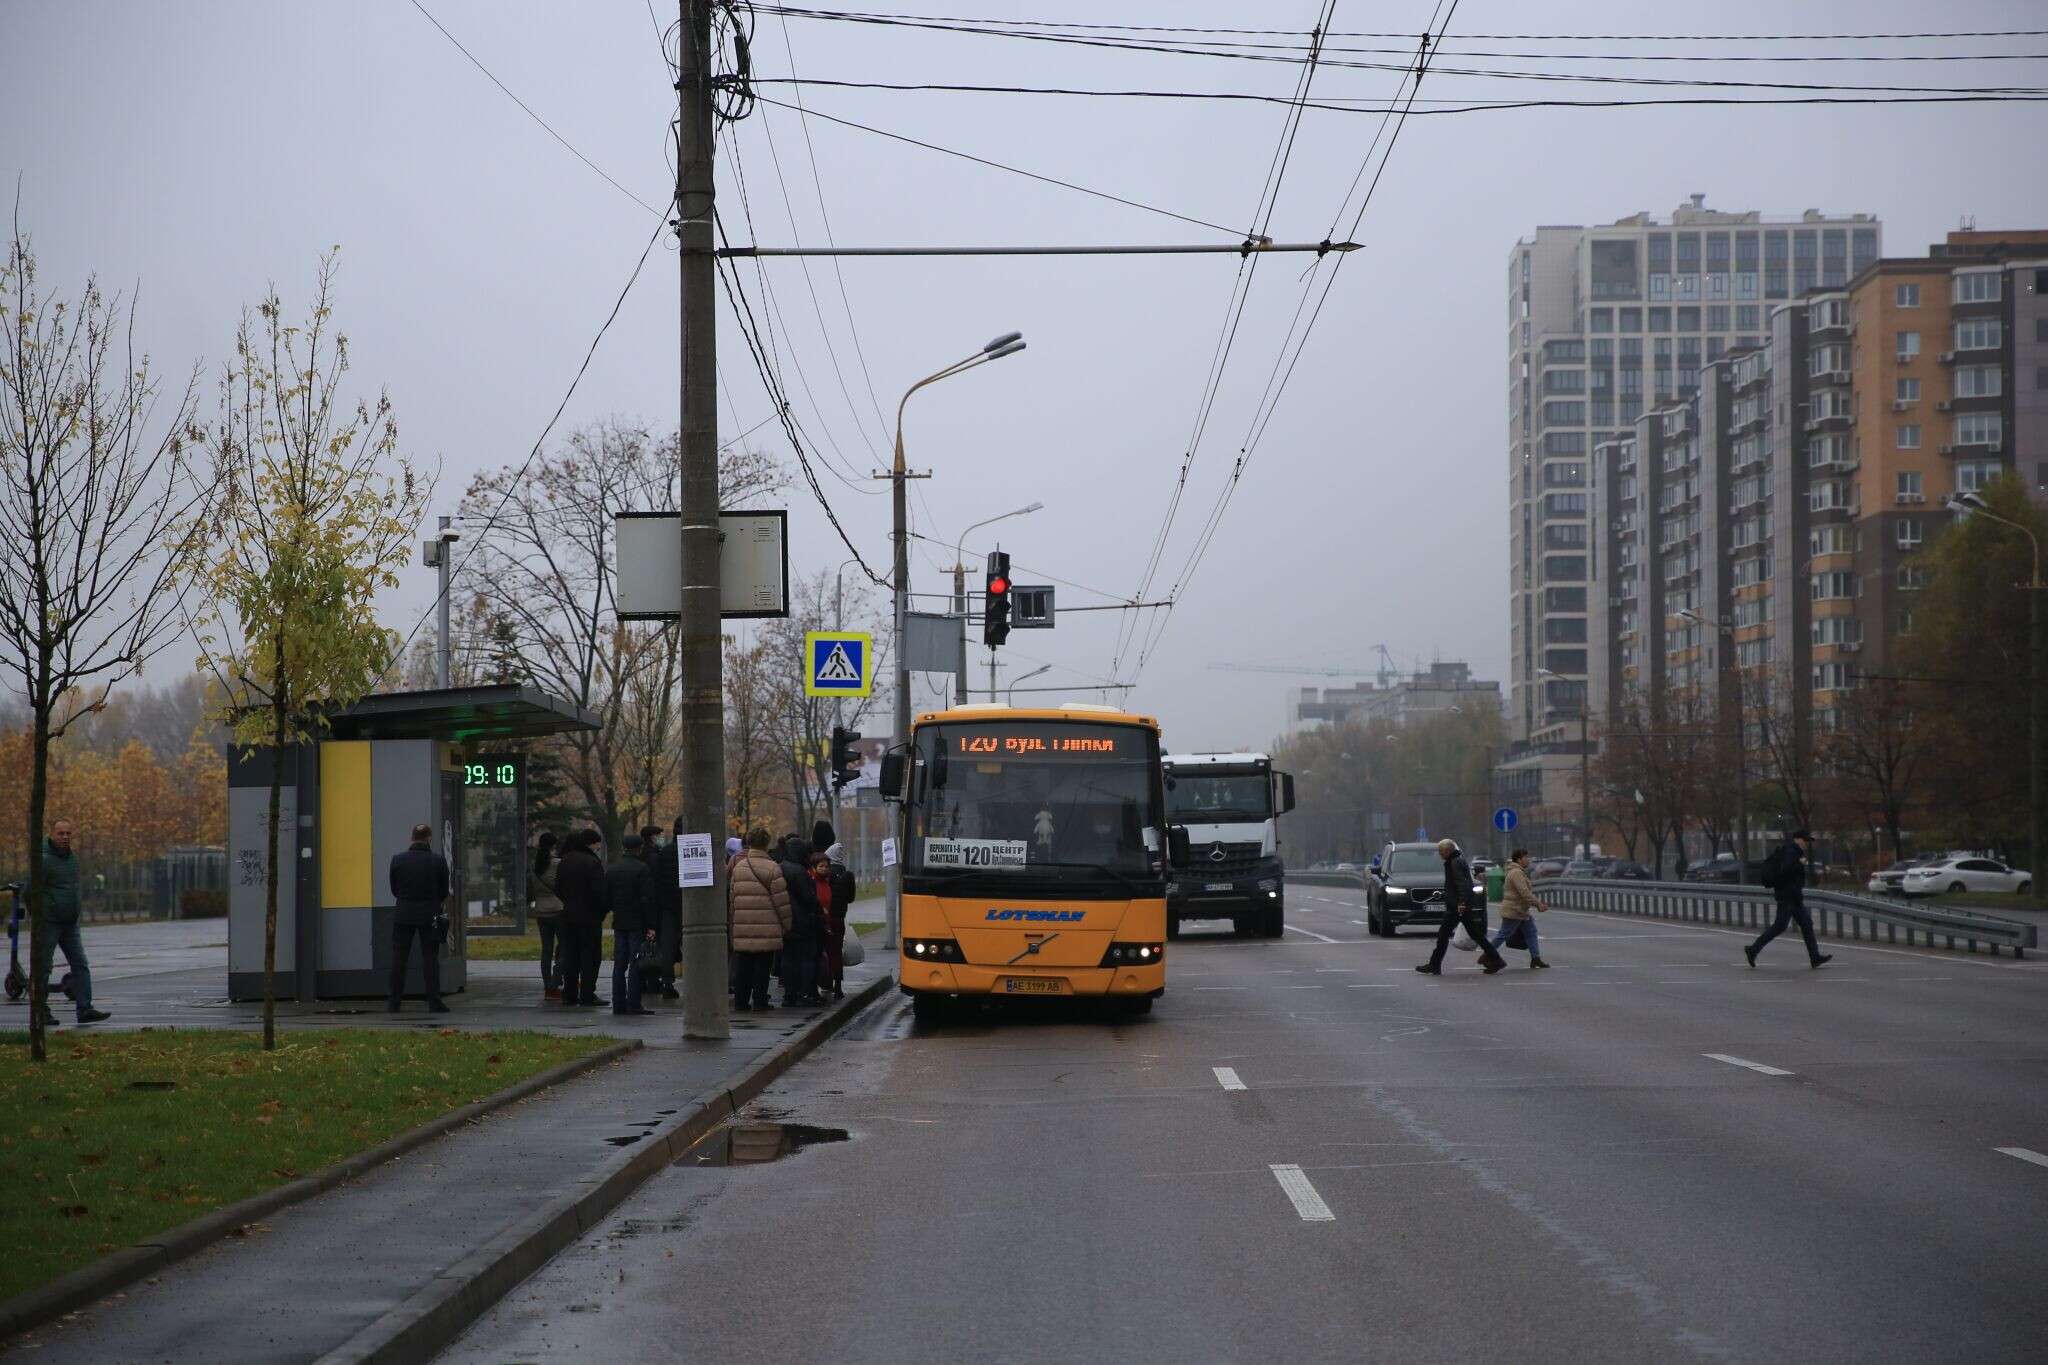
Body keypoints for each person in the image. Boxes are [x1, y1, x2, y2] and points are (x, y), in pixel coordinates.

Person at [35, 820, 108, 1027]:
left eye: (68, 833)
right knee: (43, 967)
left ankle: (85, 1008)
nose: (65, 836)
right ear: (52, 834)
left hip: (70, 923)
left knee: (80, 965)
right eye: (61, 833)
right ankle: (40, 1010)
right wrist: (42, 913)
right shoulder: (43, 860)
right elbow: (32, 891)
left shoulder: (72, 858)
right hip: (49, 922)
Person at [1418, 838, 1507, 976]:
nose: (1440, 854)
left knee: (1443, 934)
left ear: (1448, 850)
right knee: (1475, 934)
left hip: (1457, 906)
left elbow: (1462, 884)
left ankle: (1434, 965)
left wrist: (1461, 903)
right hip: (1459, 904)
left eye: (1441, 851)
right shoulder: (1455, 860)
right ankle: (1496, 959)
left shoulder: (1454, 862)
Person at [387, 823, 452, 1013]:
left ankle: (394, 1002)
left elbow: (394, 889)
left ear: (411, 838)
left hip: (404, 913)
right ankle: (434, 1001)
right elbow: (443, 890)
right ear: (429, 839)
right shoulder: (438, 861)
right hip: (429, 915)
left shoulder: (397, 860)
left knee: (399, 958)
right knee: (430, 958)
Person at [1746, 829, 1831, 969]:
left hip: (1793, 897)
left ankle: (1815, 957)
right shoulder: (1791, 852)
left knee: (1806, 924)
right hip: (1788, 896)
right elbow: (1785, 870)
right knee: (1780, 926)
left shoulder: (1792, 851)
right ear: (1797, 839)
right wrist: (1800, 863)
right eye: (1805, 840)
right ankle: (1753, 949)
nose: (1806, 843)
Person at [727, 828, 792, 1011]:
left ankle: (741, 1001)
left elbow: (732, 899)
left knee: (744, 966)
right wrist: (787, 926)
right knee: (763, 966)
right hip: (767, 927)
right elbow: (782, 902)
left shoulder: (738, 867)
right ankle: (760, 1000)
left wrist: (733, 924)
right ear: (766, 843)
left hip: (743, 925)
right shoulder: (773, 867)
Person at [555, 828, 608, 1006]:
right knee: (590, 957)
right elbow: (600, 892)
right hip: (589, 917)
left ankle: (569, 994)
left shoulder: (565, 860)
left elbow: (558, 888)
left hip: (568, 916)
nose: (598, 847)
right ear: (591, 844)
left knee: (570, 956)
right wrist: (601, 912)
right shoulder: (592, 862)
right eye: (597, 844)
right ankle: (587, 993)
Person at [605, 833, 656, 1015]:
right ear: (639, 848)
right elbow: (647, 899)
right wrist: (651, 925)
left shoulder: (612, 869)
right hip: (637, 922)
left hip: (620, 921)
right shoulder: (642, 869)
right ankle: (633, 1003)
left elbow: (607, 897)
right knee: (635, 963)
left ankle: (618, 1003)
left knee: (619, 964)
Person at [777, 837, 825, 1006]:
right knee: (807, 958)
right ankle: (805, 993)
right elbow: (808, 897)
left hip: (785, 919)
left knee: (788, 958)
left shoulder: (780, 867)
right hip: (802, 920)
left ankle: (789, 994)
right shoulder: (799, 871)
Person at [1488, 848, 1551, 969]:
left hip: (1521, 910)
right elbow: (1524, 892)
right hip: (1514, 910)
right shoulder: (1516, 873)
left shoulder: (1517, 871)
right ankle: (1487, 954)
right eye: (1526, 857)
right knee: (1504, 934)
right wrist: (1538, 904)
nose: (1529, 860)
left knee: (1531, 932)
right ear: (1519, 859)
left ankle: (1535, 959)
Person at [649, 816, 684, 1000]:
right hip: (690, 905)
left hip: (668, 906)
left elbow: (657, 882)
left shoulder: (664, 853)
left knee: (668, 946)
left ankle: (667, 982)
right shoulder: (696, 851)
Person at [532, 831, 567, 1001]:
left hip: (541, 911)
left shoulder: (535, 865)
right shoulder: (558, 864)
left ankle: (548, 988)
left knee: (546, 950)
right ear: (555, 845)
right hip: (558, 910)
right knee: (565, 947)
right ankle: (556, 980)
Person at [822, 841, 856, 1000]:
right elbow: (851, 898)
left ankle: (825, 981)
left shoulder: (825, 875)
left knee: (823, 951)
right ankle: (838, 986)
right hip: (839, 918)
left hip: (825, 918)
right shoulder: (848, 875)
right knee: (836, 952)